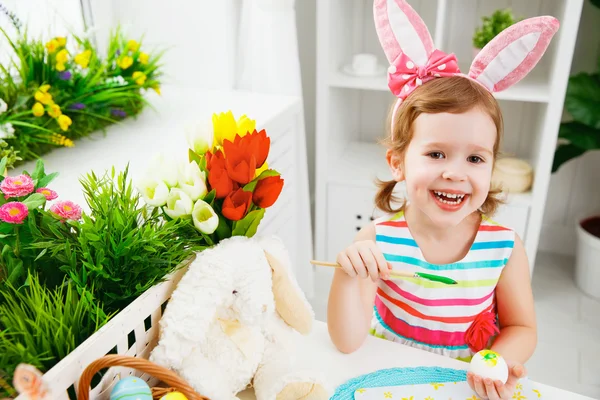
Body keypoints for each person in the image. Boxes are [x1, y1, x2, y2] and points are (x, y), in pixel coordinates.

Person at [327, 1, 559, 399]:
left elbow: (522, 329)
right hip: (388, 377)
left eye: (475, 158)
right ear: (397, 162)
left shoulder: (503, 247)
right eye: (436, 154)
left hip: (462, 383)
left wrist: (496, 362)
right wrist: (348, 274)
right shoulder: (376, 242)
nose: (455, 172)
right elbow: (347, 343)